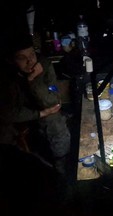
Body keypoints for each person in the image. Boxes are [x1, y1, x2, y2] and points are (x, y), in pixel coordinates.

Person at [0, 33, 71, 178]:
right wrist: (39, 113)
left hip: (42, 109)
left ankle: (62, 163)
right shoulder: (6, 75)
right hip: (22, 115)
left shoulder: (43, 64)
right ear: (12, 60)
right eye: (22, 57)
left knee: (54, 120)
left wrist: (34, 80)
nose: (30, 61)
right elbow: (6, 113)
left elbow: (53, 100)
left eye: (32, 54)